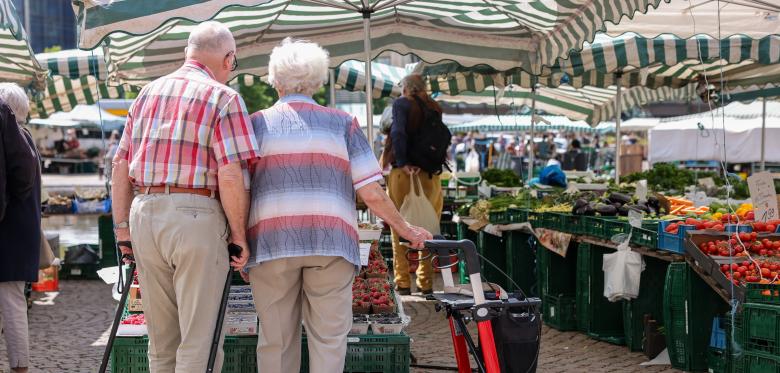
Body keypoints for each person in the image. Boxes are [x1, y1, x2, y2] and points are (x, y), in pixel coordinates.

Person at [244, 38, 432, 373]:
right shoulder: (343, 124)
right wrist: (406, 229)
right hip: (331, 243)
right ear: (318, 81)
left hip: (271, 243)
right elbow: (371, 192)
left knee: (275, 339)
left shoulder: (255, 124)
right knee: (329, 339)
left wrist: (240, 244)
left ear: (274, 80)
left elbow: (240, 190)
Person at [111, 21, 260, 372]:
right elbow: (230, 172)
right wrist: (239, 236)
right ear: (228, 59)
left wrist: (121, 230)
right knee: (200, 339)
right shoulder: (224, 97)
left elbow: (120, 164)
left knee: (162, 342)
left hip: (144, 212)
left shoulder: (147, 93)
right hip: (196, 214)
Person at [383, 74, 445, 295]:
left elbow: (398, 132)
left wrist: (403, 162)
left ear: (406, 88)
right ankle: (425, 282)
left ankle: (402, 282)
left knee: (398, 225)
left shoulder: (401, 104)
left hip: (403, 174)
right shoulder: (435, 107)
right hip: (430, 176)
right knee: (427, 227)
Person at [0, 83, 40, 373]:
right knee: (12, 299)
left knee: (11, 301)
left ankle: (19, 366)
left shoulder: (17, 138)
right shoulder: (24, 137)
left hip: (10, 232)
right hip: (18, 231)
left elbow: (21, 182)